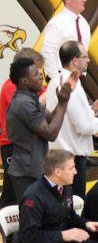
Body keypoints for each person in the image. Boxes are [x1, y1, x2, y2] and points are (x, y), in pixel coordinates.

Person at [45, 41, 98, 198]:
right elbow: (84, 127)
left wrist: (91, 110)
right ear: (74, 60)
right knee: (75, 205)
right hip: (70, 158)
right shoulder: (71, 86)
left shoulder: (55, 81)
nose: (88, 60)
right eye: (85, 57)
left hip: (57, 154)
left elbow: (68, 116)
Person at [5, 57, 76, 200]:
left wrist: (63, 99)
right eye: (36, 74)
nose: (41, 76)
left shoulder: (30, 99)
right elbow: (51, 133)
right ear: (24, 81)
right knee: (33, 215)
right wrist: (62, 103)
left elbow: (51, 118)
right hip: (26, 172)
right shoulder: (23, 104)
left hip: (34, 169)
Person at [1, 48, 44, 208]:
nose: (40, 75)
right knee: (11, 194)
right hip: (12, 146)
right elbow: (32, 109)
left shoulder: (29, 89)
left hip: (26, 145)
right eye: (36, 71)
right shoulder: (11, 88)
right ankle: (9, 230)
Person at [40, 0, 92, 80]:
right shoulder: (56, 23)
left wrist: (82, 73)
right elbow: (47, 53)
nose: (84, 0)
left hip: (79, 77)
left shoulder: (83, 22)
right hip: (60, 78)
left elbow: (84, 50)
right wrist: (57, 79)